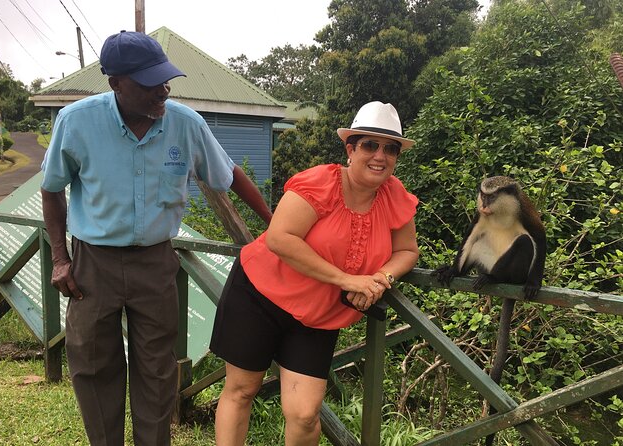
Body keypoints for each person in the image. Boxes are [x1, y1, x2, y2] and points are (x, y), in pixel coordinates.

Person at [40, 31, 272, 446]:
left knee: (157, 370)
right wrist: (60, 259)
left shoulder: (185, 124)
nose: (163, 91)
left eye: (166, 81)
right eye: (150, 84)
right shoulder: (76, 122)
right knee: (93, 364)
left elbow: (228, 175)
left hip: (156, 262)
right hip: (92, 264)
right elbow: (52, 187)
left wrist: (274, 224)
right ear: (116, 83)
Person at [210, 101, 420, 445]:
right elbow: (279, 238)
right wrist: (347, 280)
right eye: (369, 144)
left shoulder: (394, 196)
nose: (380, 155)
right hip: (260, 296)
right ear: (350, 148)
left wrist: (382, 279)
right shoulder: (320, 182)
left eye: (390, 148)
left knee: (305, 414)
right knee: (241, 390)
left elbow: (407, 251)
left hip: (318, 316)